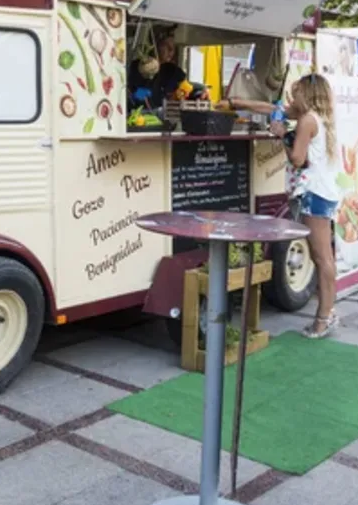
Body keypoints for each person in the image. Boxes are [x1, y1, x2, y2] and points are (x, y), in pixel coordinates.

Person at [218, 74, 341, 338]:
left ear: (307, 95)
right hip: (324, 192)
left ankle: (325, 317)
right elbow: (273, 108)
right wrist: (236, 103)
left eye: (297, 93)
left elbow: (297, 158)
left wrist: (282, 134)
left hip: (314, 193)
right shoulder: (318, 117)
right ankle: (327, 313)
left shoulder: (307, 121)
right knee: (324, 257)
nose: (292, 98)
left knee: (321, 258)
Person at [127, 29, 207, 109]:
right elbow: (128, 91)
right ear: (156, 45)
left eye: (173, 47)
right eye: (167, 46)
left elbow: (188, 89)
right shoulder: (136, 67)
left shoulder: (172, 71)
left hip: (165, 115)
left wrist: (199, 93)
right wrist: (136, 94)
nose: (171, 51)